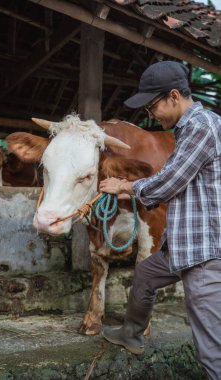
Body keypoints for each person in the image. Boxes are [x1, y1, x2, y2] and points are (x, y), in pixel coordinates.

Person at [99, 60, 221, 380]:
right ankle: (132, 333)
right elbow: (172, 178)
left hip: (206, 251)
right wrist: (131, 193)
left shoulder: (201, 126)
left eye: (153, 107)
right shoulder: (186, 129)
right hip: (184, 242)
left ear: (174, 96)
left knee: (210, 345)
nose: (151, 115)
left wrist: (124, 185)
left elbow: (170, 181)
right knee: (145, 274)